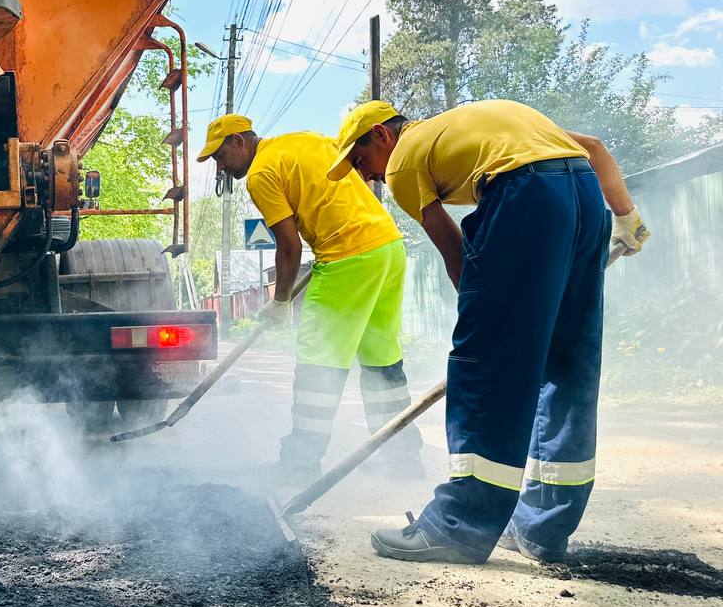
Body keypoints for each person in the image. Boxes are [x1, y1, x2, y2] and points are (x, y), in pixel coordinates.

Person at [328, 99, 649, 564]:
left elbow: (452, 251)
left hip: (527, 200)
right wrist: (626, 218)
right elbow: (594, 151)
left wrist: (485, 325)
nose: (367, 175)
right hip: (584, 198)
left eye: (361, 161)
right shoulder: (483, 120)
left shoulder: (403, 161)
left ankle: (459, 525)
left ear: (381, 134)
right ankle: (542, 527)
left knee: (485, 366)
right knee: (566, 362)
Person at [198, 114, 424, 486]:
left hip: (347, 257)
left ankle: (299, 466)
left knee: (318, 364)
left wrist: (281, 301)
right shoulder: (305, 137)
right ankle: (403, 459)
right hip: (387, 247)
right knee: (382, 360)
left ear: (238, 142)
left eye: (220, 156)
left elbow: (289, 245)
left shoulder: (260, 173)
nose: (220, 166)